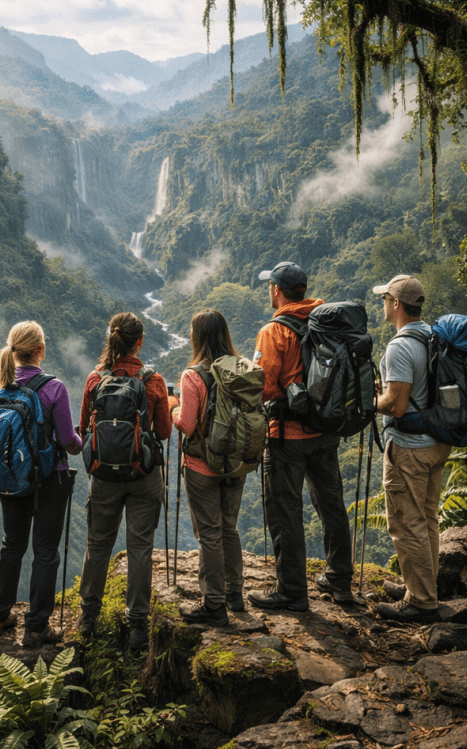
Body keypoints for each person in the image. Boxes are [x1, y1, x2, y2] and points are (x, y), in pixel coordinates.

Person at [247, 262, 354, 611]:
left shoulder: (274, 331)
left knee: (286, 511)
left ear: (277, 290)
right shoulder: (326, 322)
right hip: (326, 429)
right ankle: (339, 580)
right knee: (332, 506)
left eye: (270, 286)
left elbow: (263, 386)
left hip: (287, 436)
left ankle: (292, 591)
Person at [77, 312, 172, 650]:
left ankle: (88, 618)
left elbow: (84, 430)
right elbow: (163, 431)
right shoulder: (153, 381)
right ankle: (137, 626)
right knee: (140, 547)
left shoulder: (95, 379)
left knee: (98, 544)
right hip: (144, 475)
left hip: (104, 475)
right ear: (139, 342)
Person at [0, 321, 82, 648]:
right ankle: (37, 626)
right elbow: (68, 441)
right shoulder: (54, 389)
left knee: (11, 545)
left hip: (11, 478)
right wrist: (82, 441)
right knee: (45, 552)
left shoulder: (1, 385)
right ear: (40, 349)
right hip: (48, 480)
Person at [373, 275, 451, 624]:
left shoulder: (400, 347)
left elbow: (396, 405)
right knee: (428, 518)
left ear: (396, 304)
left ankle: (421, 601)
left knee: (407, 523)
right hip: (437, 442)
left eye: (385, 298)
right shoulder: (433, 336)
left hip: (409, 449)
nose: (383, 304)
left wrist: (370, 401)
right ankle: (421, 587)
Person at [170, 309, 246, 627]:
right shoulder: (242, 369)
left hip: (202, 465)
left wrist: (174, 410)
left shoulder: (193, 376)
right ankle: (235, 594)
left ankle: (214, 604)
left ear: (197, 337)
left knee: (210, 534)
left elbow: (187, 425)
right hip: (237, 462)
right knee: (229, 527)